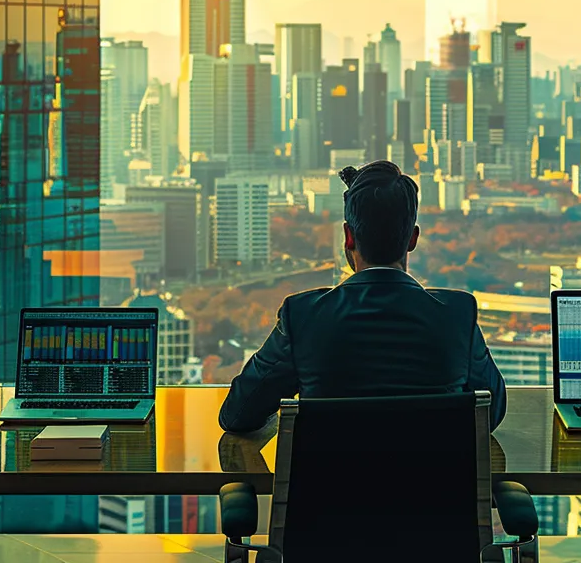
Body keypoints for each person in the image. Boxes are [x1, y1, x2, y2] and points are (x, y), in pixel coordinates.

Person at [218, 160, 508, 433]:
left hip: (330, 488)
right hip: (434, 487)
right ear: (413, 239)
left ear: (348, 237)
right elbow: (491, 414)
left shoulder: (303, 316)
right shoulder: (457, 314)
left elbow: (238, 414)